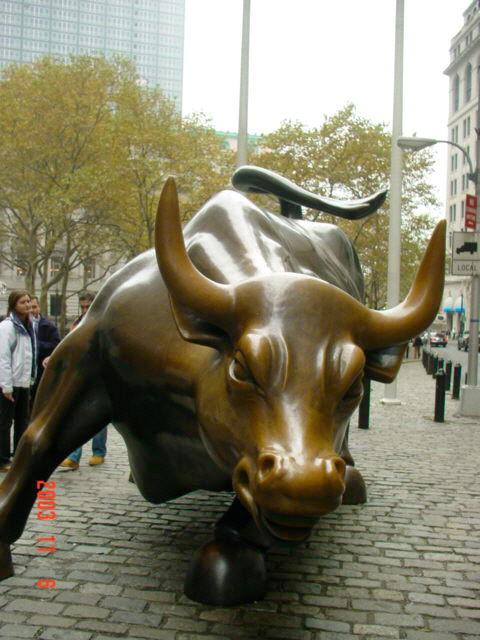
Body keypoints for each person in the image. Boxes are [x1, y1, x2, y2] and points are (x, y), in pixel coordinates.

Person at [58, 291, 107, 471]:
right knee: (76, 416)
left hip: (99, 375)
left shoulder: (103, 322)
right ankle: (74, 456)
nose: (85, 310)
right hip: (79, 374)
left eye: (88, 306)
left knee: (98, 415)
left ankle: (98, 452)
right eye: (83, 306)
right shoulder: (76, 323)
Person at [0, 290, 36, 472]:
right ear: (14, 305)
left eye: (28, 301)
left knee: (23, 421)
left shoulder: (29, 325)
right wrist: (6, 386)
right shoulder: (7, 326)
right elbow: (3, 357)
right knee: (5, 423)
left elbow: (30, 355)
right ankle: (2, 459)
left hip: (24, 382)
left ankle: (19, 457)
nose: (27, 305)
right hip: (9, 383)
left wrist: (30, 379)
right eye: (23, 302)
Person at [29, 296, 60, 407]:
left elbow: (56, 345)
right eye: (29, 307)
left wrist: (37, 345)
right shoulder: (20, 325)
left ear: (39, 307)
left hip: (41, 371)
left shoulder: (49, 326)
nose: (32, 310)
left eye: (34, 307)